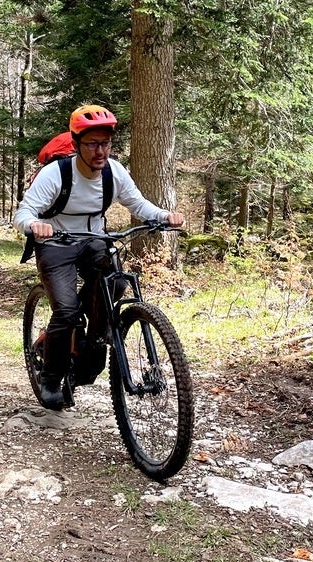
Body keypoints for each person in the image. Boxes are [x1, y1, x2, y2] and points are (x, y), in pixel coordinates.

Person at [13, 104, 184, 409]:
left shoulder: (114, 172)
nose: (100, 151)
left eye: (105, 143)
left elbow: (138, 204)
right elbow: (23, 213)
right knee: (66, 311)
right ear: (76, 144)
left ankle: (90, 343)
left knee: (116, 284)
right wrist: (34, 225)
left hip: (95, 240)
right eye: (92, 144)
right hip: (57, 243)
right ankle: (50, 377)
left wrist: (163, 215)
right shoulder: (56, 174)